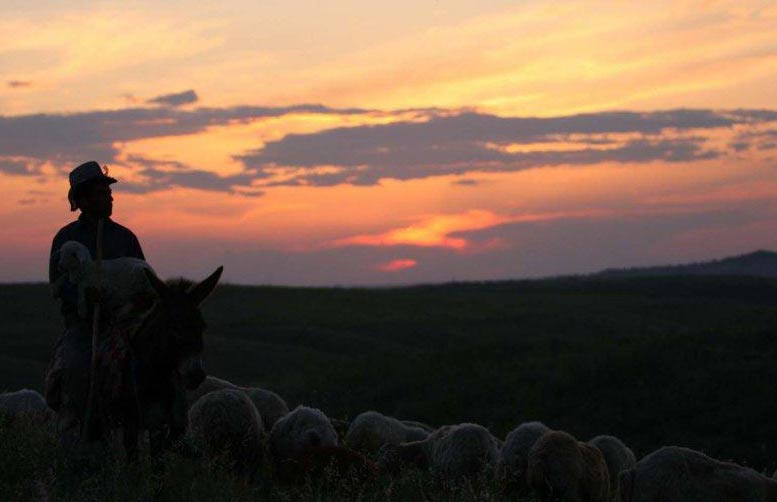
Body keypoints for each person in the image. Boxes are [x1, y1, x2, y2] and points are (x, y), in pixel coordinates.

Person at [45, 161, 146, 420]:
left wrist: (124, 304)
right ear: (83, 199)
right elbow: (57, 284)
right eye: (102, 193)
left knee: (152, 369)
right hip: (82, 327)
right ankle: (74, 428)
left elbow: (142, 280)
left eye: (109, 193)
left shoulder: (125, 238)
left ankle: (161, 433)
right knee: (76, 370)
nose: (110, 198)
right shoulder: (66, 238)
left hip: (122, 327)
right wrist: (83, 297)